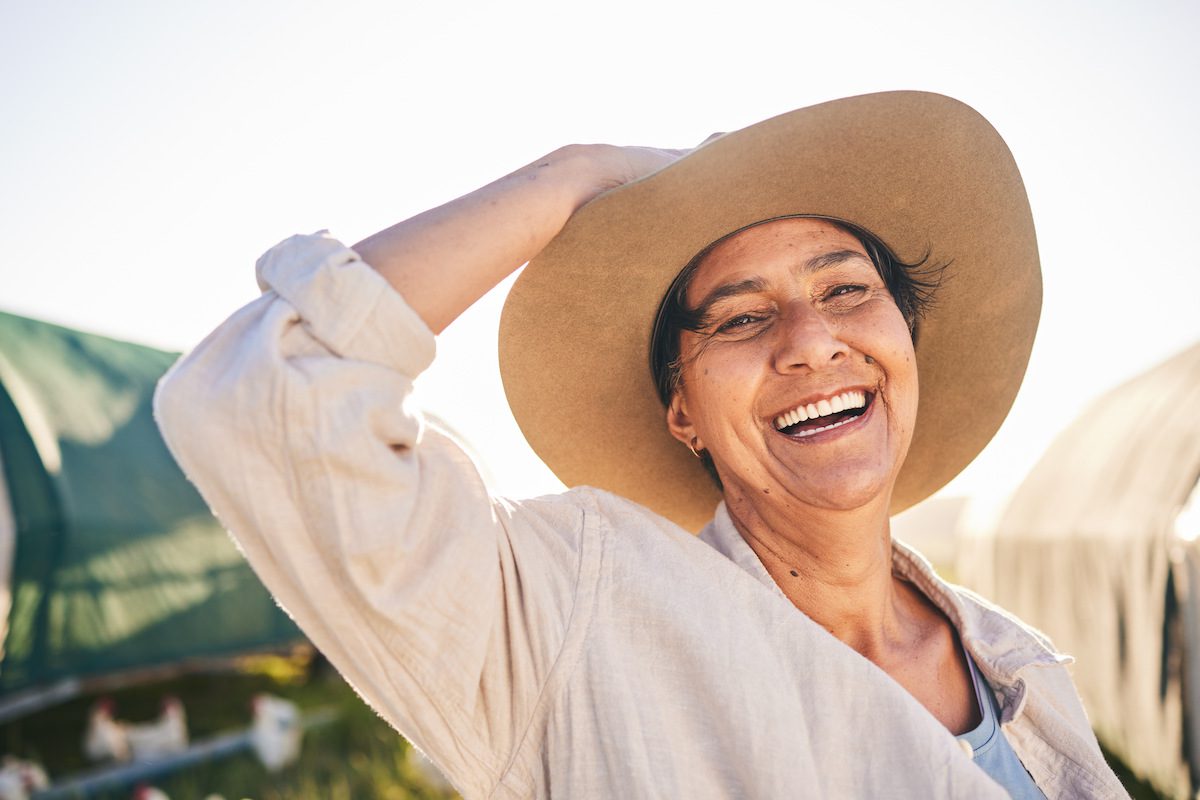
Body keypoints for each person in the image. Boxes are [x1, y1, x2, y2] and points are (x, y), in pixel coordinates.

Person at [155, 92, 1128, 798]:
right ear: (682, 413)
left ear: (904, 341)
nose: (812, 341)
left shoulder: (1015, 657)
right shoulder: (584, 626)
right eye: (742, 319)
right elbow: (259, 395)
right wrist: (575, 171)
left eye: (845, 290)